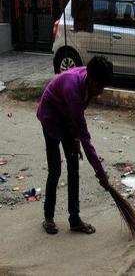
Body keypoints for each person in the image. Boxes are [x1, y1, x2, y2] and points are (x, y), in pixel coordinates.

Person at [37, 56, 112, 235]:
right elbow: (86, 137)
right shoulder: (73, 88)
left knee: (74, 168)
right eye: (99, 87)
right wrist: (100, 172)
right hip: (51, 118)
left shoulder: (89, 82)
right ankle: (48, 217)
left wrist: (76, 139)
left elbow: (78, 121)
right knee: (55, 170)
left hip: (68, 118)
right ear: (92, 80)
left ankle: (74, 219)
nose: (100, 92)